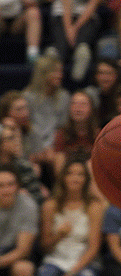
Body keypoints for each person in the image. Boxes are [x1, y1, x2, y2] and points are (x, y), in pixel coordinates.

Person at [35, 156, 104, 276]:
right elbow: (45, 246)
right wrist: (58, 235)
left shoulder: (94, 206)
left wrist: (72, 273)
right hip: (56, 258)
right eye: (70, 173)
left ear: (86, 179)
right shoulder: (51, 205)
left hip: (84, 260)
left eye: (80, 174)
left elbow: (94, 247)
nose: (75, 178)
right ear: (63, 178)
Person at [0, 164, 39, 276]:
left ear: (17, 186)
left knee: (24, 270)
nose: (6, 190)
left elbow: (23, 249)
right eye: (1, 185)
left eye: (10, 184)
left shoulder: (28, 205)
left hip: (14, 252)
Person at [24, 53, 70, 186]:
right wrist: (41, 149)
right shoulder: (27, 97)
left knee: (59, 160)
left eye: (60, 71)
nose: (60, 75)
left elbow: (61, 127)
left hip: (54, 146)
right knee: (33, 166)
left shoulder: (64, 97)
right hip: (32, 145)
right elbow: (28, 127)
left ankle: (61, 195)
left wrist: (51, 147)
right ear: (44, 73)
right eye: (56, 71)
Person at [52, 90, 98, 176]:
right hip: (68, 180)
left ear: (91, 109)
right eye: (74, 103)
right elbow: (59, 171)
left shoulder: (99, 135)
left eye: (83, 104)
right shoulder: (62, 134)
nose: (78, 108)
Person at [0, 119, 46, 205]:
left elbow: (38, 198)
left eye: (15, 137)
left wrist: (22, 197)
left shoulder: (24, 166)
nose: (16, 141)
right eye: (10, 138)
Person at [0, 90, 46, 168]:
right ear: (7, 113)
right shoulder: (2, 131)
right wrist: (14, 131)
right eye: (19, 109)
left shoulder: (33, 131)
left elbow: (26, 160)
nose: (25, 113)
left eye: (25, 108)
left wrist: (39, 157)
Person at [84, 58, 121, 128]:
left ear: (116, 75)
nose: (105, 77)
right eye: (101, 73)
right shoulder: (89, 94)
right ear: (96, 76)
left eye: (109, 73)